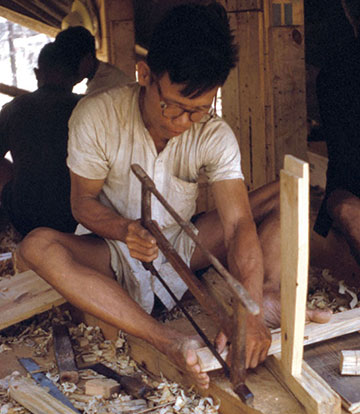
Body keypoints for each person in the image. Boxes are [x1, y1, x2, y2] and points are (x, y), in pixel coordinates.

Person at [19, 3, 330, 389]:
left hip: (182, 243)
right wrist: (124, 229)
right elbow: (81, 204)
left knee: (285, 202)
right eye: (174, 106)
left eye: (198, 111)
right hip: (113, 250)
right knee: (36, 247)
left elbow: (236, 226)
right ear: (145, 74)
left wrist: (246, 310)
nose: (184, 123)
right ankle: (165, 338)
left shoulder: (214, 134)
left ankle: (266, 301)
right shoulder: (95, 116)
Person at [0, 42, 82, 236]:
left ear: (37, 74)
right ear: (76, 77)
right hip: (77, 214)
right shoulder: (86, 107)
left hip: (25, 215)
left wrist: (17, 180)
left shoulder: (14, 108)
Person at [314, 0, 360, 266]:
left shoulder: (332, 75)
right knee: (347, 209)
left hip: (346, 193)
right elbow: (346, 163)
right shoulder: (335, 76)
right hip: (348, 194)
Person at [54, 26, 132, 94]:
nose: (68, 71)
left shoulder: (101, 88)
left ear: (88, 58)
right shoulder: (107, 73)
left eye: (72, 65)